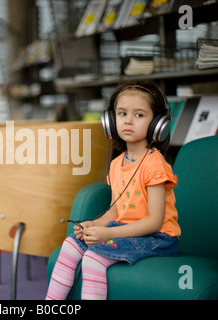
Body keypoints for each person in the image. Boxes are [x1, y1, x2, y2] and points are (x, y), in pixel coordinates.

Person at [45, 81, 181, 300]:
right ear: (111, 120)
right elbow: (115, 213)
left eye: (139, 115)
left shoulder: (154, 164)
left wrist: (108, 233)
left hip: (158, 237)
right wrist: (93, 225)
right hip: (124, 229)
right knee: (71, 244)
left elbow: (155, 222)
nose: (128, 120)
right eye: (122, 113)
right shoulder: (117, 164)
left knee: (93, 257)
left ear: (157, 123)